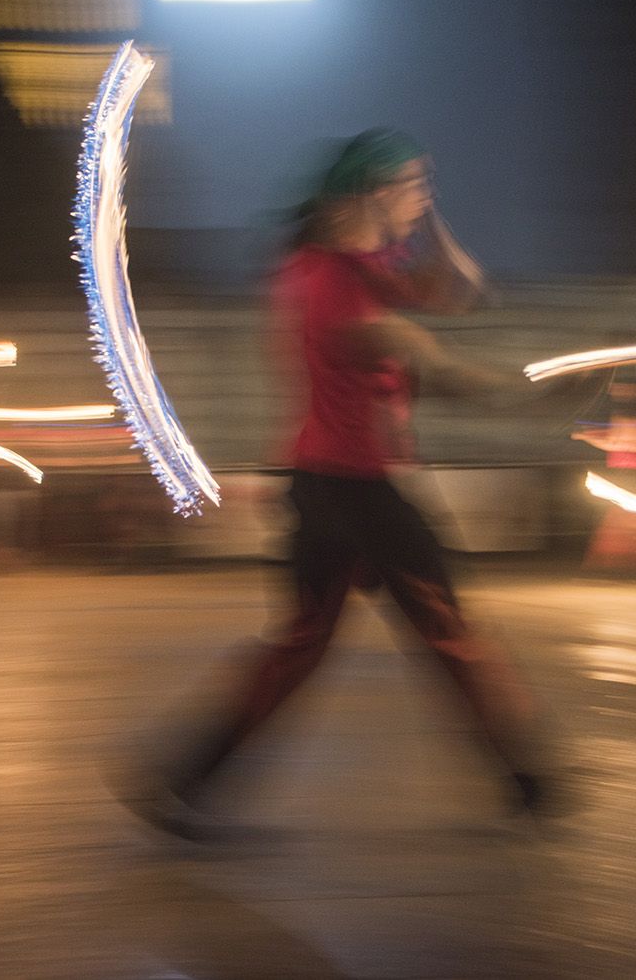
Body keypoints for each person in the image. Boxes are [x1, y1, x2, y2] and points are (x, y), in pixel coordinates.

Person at [125, 128, 558, 836]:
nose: (425, 199)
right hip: (361, 490)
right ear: (373, 193)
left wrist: (421, 214)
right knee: (449, 631)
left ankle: (185, 779)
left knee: (303, 643)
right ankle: (531, 778)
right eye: (416, 186)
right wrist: (535, 398)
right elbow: (437, 364)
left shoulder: (333, 263)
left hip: (319, 482)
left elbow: (466, 290)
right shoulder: (337, 291)